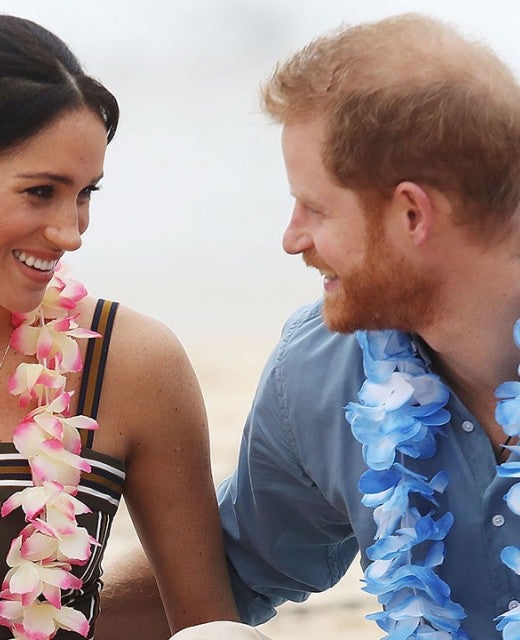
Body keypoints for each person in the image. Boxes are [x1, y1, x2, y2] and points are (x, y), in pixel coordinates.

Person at [99, 12, 520, 640]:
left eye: (315, 208)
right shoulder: (322, 366)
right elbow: (229, 576)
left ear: (412, 214)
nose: (292, 239)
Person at [0, 13, 238, 640]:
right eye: (41, 191)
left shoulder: (131, 363)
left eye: (85, 193)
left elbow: (205, 623)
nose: (71, 231)